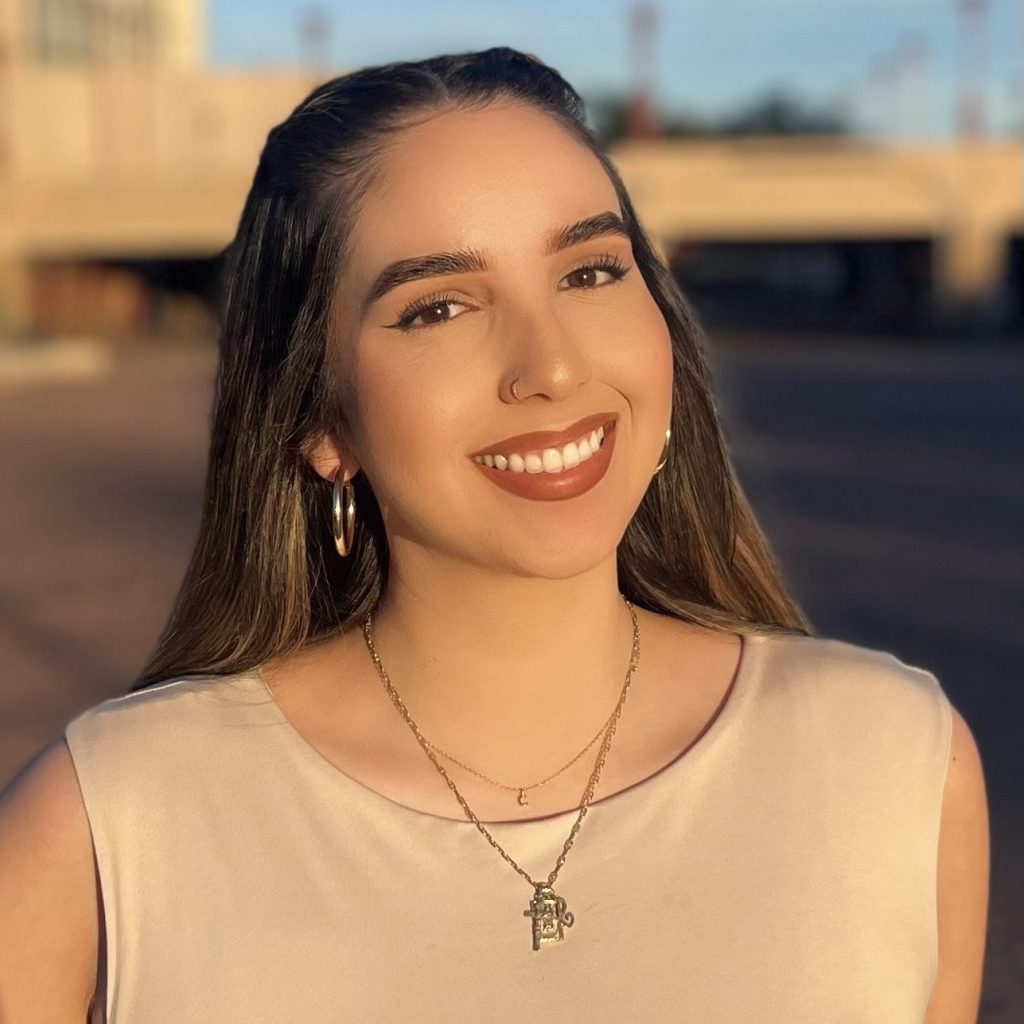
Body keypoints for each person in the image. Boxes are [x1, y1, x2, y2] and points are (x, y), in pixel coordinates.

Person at [0, 47, 988, 1023]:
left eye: (590, 271)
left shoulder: (897, 765)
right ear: (321, 420)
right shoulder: (100, 834)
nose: (551, 366)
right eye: (437, 307)